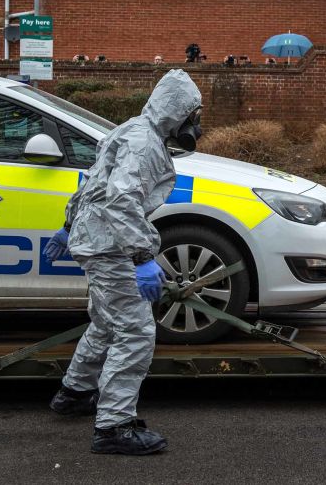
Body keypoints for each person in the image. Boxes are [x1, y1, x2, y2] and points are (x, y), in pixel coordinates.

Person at [42, 69, 203, 455]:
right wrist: (143, 256)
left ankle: (75, 392)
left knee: (105, 322)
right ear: (177, 112)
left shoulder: (129, 129)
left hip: (95, 238)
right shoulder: (144, 143)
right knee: (135, 333)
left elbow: (92, 182)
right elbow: (120, 199)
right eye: (193, 116)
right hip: (112, 245)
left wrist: (68, 224)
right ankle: (114, 427)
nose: (195, 126)